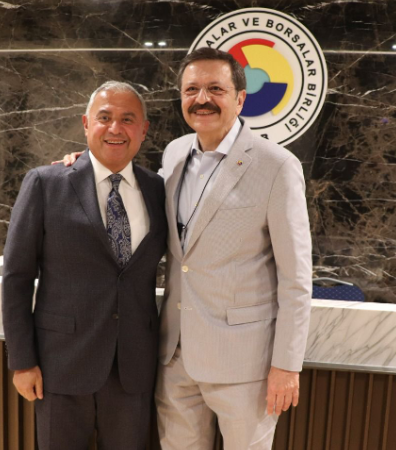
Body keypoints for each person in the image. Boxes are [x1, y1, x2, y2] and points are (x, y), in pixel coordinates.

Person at [59, 48, 312, 449]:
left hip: (245, 365)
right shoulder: (175, 154)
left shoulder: (276, 166)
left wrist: (287, 365)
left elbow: (296, 279)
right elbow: (134, 194)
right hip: (174, 359)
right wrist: (88, 166)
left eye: (215, 89)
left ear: (240, 99)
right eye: (191, 90)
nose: (202, 99)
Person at [2, 81, 167, 449]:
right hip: (60, 366)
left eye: (127, 119)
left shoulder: (158, 189)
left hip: (133, 369)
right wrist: (22, 362)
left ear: (143, 129)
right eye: (104, 118)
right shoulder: (46, 183)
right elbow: (17, 277)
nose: (115, 128)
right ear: (86, 124)